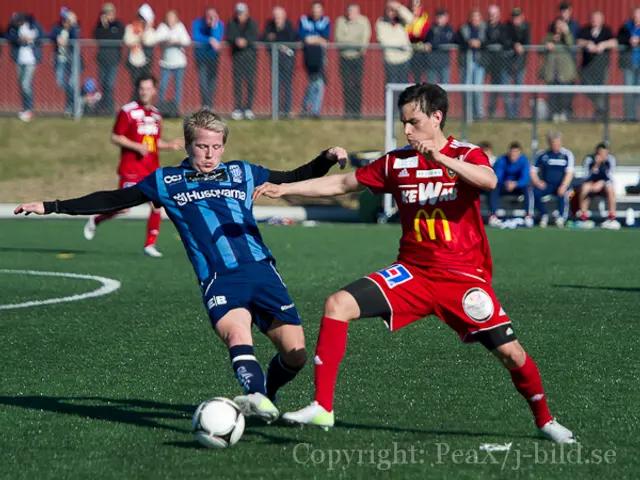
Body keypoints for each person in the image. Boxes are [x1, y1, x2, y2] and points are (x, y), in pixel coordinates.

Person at [252, 84, 576, 444]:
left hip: (462, 278)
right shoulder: (397, 161)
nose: (407, 130)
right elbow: (345, 182)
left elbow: (489, 180)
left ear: (436, 118)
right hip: (412, 274)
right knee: (337, 305)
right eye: (403, 123)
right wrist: (286, 190)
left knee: (512, 355)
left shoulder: (465, 154)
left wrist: (443, 160)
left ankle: (545, 421)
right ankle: (322, 407)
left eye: (414, 122)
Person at [14, 108, 348, 422]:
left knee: (296, 355)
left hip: (263, 271)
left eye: (216, 146)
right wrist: (53, 205)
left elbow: (292, 177)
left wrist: (327, 158)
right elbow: (115, 199)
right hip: (219, 277)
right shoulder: (166, 181)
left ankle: (267, 398)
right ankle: (255, 393)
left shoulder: (242, 172)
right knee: (236, 333)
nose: (209, 154)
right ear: (187, 145)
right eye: (202, 146)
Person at [82, 74, 183, 257]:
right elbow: (115, 136)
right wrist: (136, 147)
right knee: (124, 208)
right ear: (138, 90)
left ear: (154, 90)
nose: (144, 92)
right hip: (131, 169)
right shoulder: (127, 111)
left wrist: (169, 145)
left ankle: (149, 245)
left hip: (151, 169)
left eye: (148, 88)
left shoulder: (156, 115)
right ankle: (97, 219)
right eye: (141, 88)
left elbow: (154, 142)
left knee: (157, 205)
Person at [577, 11, 617, 120]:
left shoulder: (606, 31)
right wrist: (587, 44)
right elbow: (578, 41)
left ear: (602, 20)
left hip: (601, 67)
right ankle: (600, 109)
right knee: (586, 87)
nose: (595, 20)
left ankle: (601, 113)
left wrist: (603, 45)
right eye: (593, 18)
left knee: (601, 90)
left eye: (597, 18)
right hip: (587, 67)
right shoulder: (585, 30)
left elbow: (614, 42)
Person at [531, 131, 575, 228]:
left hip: (562, 185)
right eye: (553, 143)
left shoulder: (567, 155)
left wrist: (563, 186)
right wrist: (538, 182)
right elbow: (533, 170)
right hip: (548, 185)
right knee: (535, 192)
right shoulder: (543, 155)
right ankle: (543, 215)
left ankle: (561, 217)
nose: (555, 145)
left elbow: (570, 173)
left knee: (566, 194)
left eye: (557, 143)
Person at [334, 3, 371, 119]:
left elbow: (364, 40)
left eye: (353, 11)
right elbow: (339, 40)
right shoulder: (340, 21)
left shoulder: (364, 21)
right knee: (346, 85)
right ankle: (348, 112)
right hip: (344, 57)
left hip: (358, 57)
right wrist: (355, 42)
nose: (351, 14)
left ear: (358, 12)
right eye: (349, 11)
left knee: (357, 84)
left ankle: (357, 112)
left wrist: (351, 43)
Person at [7, 12, 44, 123]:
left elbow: (42, 35)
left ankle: (29, 109)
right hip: (19, 60)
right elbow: (8, 36)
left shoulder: (33, 26)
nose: (17, 23)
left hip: (31, 61)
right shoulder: (14, 28)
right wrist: (19, 39)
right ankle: (25, 109)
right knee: (22, 85)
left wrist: (30, 40)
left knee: (26, 84)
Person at [488, 141, 533, 228]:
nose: (513, 155)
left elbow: (525, 178)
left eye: (516, 153)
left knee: (527, 188)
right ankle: (493, 215)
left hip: (518, 187)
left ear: (519, 153)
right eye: (512, 152)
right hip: (504, 186)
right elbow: (497, 177)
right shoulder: (501, 160)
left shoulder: (524, 161)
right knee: (494, 188)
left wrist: (516, 184)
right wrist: (506, 183)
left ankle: (528, 216)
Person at [263, 6, 297, 118]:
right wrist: (274, 40)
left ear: (284, 16)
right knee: (276, 84)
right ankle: (276, 110)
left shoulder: (289, 26)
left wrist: (275, 38)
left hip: (287, 59)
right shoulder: (270, 25)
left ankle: (287, 110)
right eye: (275, 17)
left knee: (287, 84)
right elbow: (264, 37)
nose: (277, 19)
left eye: (279, 17)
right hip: (275, 59)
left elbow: (291, 39)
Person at [298, 2, 331, 118]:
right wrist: (317, 39)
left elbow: (326, 38)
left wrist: (313, 39)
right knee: (312, 82)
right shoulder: (304, 20)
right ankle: (306, 107)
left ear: (321, 11)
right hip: (308, 56)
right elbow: (303, 36)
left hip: (321, 56)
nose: (316, 12)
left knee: (319, 83)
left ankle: (315, 111)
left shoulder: (325, 21)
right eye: (314, 9)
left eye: (318, 10)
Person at [227, 2, 259, 121]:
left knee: (250, 82)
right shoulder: (232, 23)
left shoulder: (252, 23)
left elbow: (255, 37)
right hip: (237, 56)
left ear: (247, 13)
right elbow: (229, 37)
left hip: (250, 57)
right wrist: (236, 40)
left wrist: (246, 42)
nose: (240, 16)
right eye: (238, 13)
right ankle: (238, 108)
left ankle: (248, 108)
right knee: (238, 83)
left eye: (242, 13)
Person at [578, 143, 621, 230]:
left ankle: (611, 217)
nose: (602, 155)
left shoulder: (611, 160)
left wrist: (601, 183)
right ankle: (583, 217)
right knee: (585, 188)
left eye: (604, 153)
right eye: (600, 153)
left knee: (610, 187)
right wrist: (596, 165)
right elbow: (586, 176)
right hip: (591, 184)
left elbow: (610, 176)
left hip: (604, 185)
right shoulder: (589, 159)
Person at [155, 10, 191, 112]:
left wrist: (176, 41)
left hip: (179, 63)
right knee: (162, 86)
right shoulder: (162, 27)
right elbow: (156, 38)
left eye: (172, 17)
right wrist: (166, 39)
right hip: (165, 63)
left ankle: (176, 109)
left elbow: (187, 41)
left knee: (178, 87)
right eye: (169, 17)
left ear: (176, 18)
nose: (170, 20)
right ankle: (160, 107)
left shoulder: (180, 27)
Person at [541, 19, 576, 123]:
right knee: (553, 95)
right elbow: (542, 45)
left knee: (564, 95)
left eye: (561, 26)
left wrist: (566, 33)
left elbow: (571, 44)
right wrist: (548, 43)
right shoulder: (549, 36)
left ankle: (564, 113)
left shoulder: (567, 36)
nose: (558, 28)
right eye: (557, 26)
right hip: (552, 70)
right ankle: (554, 114)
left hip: (565, 71)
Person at [94, 3, 124, 115]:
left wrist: (108, 27)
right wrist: (104, 25)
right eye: (105, 13)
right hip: (102, 60)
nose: (108, 15)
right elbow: (98, 37)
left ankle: (110, 108)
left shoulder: (118, 25)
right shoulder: (100, 26)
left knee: (110, 84)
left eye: (110, 12)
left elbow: (116, 37)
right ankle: (104, 107)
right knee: (103, 83)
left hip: (113, 60)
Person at [50, 8, 81, 117]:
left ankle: (72, 107)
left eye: (67, 20)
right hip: (61, 59)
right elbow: (49, 35)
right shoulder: (57, 28)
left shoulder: (73, 29)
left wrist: (73, 24)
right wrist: (57, 39)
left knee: (72, 84)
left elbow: (76, 36)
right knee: (61, 83)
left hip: (73, 61)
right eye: (64, 20)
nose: (65, 23)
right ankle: (74, 102)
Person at [191, 8, 224, 110]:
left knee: (212, 81)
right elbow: (196, 37)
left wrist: (214, 26)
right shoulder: (197, 23)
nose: (211, 18)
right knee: (203, 81)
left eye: (213, 16)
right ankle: (205, 104)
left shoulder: (219, 25)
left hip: (213, 57)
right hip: (201, 58)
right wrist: (209, 40)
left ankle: (210, 104)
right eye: (209, 16)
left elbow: (217, 39)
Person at [457, 9, 487, 120]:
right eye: (473, 17)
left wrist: (480, 43)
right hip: (467, 62)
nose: (475, 19)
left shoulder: (484, 28)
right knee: (467, 87)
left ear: (480, 18)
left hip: (479, 62)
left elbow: (488, 41)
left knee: (478, 88)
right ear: (470, 18)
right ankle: (467, 113)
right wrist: (469, 43)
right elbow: (458, 40)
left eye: (477, 17)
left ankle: (478, 114)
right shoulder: (464, 28)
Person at [376, 2, 414, 88]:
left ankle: (402, 102)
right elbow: (382, 40)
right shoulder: (381, 22)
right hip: (391, 59)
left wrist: (399, 7)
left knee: (404, 86)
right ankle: (391, 102)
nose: (392, 12)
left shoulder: (402, 21)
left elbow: (411, 19)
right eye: (390, 10)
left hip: (404, 58)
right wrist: (398, 45)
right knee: (391, 86)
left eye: (394, 10)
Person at [124, 3, 156, 99]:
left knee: (145, 85)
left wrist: (145, 31)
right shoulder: (130, 28)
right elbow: (128, 40)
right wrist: (138, 38)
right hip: (134, 61)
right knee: (136, 86)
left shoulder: (150, 30)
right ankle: (134, 104)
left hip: (146, 61)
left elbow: (149, 42)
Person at [502, 7, 530, 118]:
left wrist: (521, 47)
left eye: (517, 17)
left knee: (518, 88)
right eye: (514, 17)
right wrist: (514, 44)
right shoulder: (506, 27)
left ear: (521, 17)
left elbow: (528, 42)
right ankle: (509, 113)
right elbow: (504, 40)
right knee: (506, 88)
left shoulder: (526, 27)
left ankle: (516, 113)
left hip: (520, 62)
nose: (515, 20)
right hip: (507, 62)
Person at [618, 8, 640, 121]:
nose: (637, 18)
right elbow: (620, 38)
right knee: (628, 91)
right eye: (635, 16)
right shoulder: (626, 27)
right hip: (629, 64)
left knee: (638, 92)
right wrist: (629, 40)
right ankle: (629, 117)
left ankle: (637, 116)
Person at [424, 8, 455, 85]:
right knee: (431, 87)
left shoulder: (449, 29)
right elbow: (427, 41)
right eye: (438, 17)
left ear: (446, 18)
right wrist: (428, 45)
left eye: (441, 17)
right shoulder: (431, 29)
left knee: (444, 86)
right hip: (432, 62)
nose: (439, 19)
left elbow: (446, 41)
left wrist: (433, 45)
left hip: (444, 63)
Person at [406, 0, 430, 84]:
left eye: (416, 5)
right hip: (407, 51)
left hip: (419, 52)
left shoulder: (424, 19)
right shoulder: (405, 18)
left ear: (420, 7)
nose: (414, 8)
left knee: (418, 77)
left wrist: (414, 36)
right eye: (412, 5)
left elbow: (423, 35)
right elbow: (405, 34)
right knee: (404, 76)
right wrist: (414, 35)